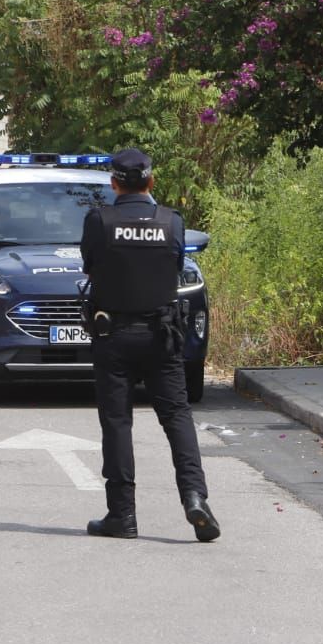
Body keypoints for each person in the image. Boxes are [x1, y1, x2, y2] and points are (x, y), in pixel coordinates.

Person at [79, 148, 218, 542]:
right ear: (151, 182)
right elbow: (174, 267)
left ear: (114, 183)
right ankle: (195, 498)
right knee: (177, 418)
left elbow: (90, 265)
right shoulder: (171, 222)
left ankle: (122, 515)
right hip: (162, 336)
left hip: (113, 335)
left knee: (118, 422)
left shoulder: (99, 221)